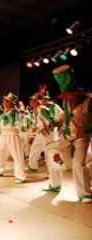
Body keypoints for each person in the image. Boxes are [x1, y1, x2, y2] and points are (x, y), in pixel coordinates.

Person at [51, 65, 92, 203]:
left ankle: (84, 194)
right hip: (67, 136)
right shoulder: (66, 101)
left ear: (77, 93)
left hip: (82, 137)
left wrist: (86, 130)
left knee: (77, 164)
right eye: (65, 96)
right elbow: (64, 115)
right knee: (54, 156)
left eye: (69, 95)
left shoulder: (89, 102)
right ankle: (55, 184)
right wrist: (55, 122)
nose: (67, 97)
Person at [0, 92, 26, 183]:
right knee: (0, 153)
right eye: (3, 101)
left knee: (17, 156)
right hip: (3, 134)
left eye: (4, 101)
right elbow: (0, 121)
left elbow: (9, 120)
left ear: (10, 103)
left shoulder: (15, 111)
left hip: (12, 135)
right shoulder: (6, 112)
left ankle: (21, 176)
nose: (3, 103)